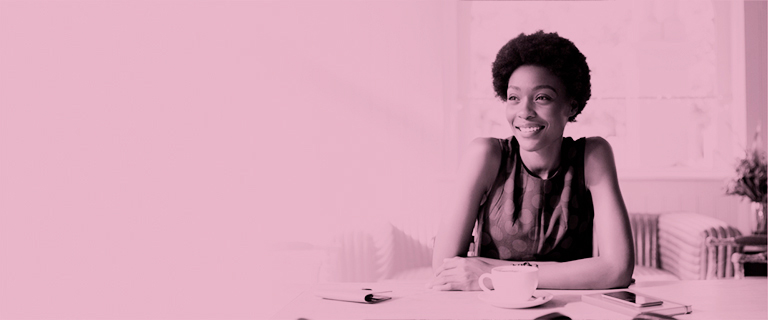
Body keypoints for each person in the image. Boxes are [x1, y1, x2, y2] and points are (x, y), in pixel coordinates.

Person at [428, 31, 634, 291]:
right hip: (490, 309)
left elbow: (617, 270)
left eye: (542, 97)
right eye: (514, 97)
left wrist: (491, 272)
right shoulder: (485, 155)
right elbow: (445, 269)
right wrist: (575, 272)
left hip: (569, 312)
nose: (524, 112)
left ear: (571, 106)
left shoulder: (593, 155)